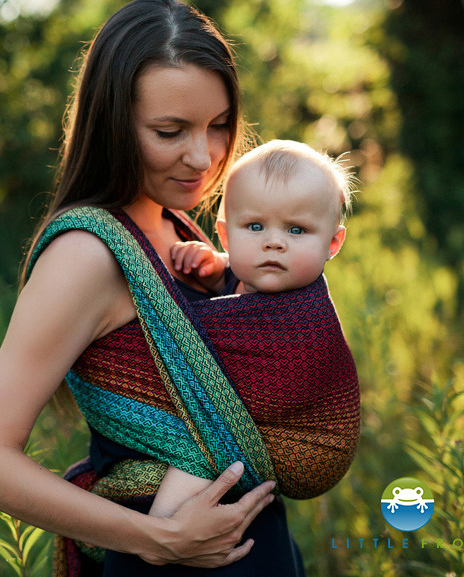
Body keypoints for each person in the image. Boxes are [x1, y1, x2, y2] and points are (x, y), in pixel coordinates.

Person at [0, 0, 298, 576]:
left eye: (218, 126)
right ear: (113, 125)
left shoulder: (179, 228)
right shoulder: (87, 255)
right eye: (169, 131)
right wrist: (156, 539)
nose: (202, 156)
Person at [149, 139, 357, 520]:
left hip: (310, 444)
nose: (273, 242)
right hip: (256, 438)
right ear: (226, 236)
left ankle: (164, 532)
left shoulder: (305, 318)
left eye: (296, 230)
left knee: (199, 449)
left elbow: (198, 343)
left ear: (333, 243)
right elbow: (238, 287)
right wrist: (214, 270)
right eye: (255, 226)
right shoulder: (247, 274)